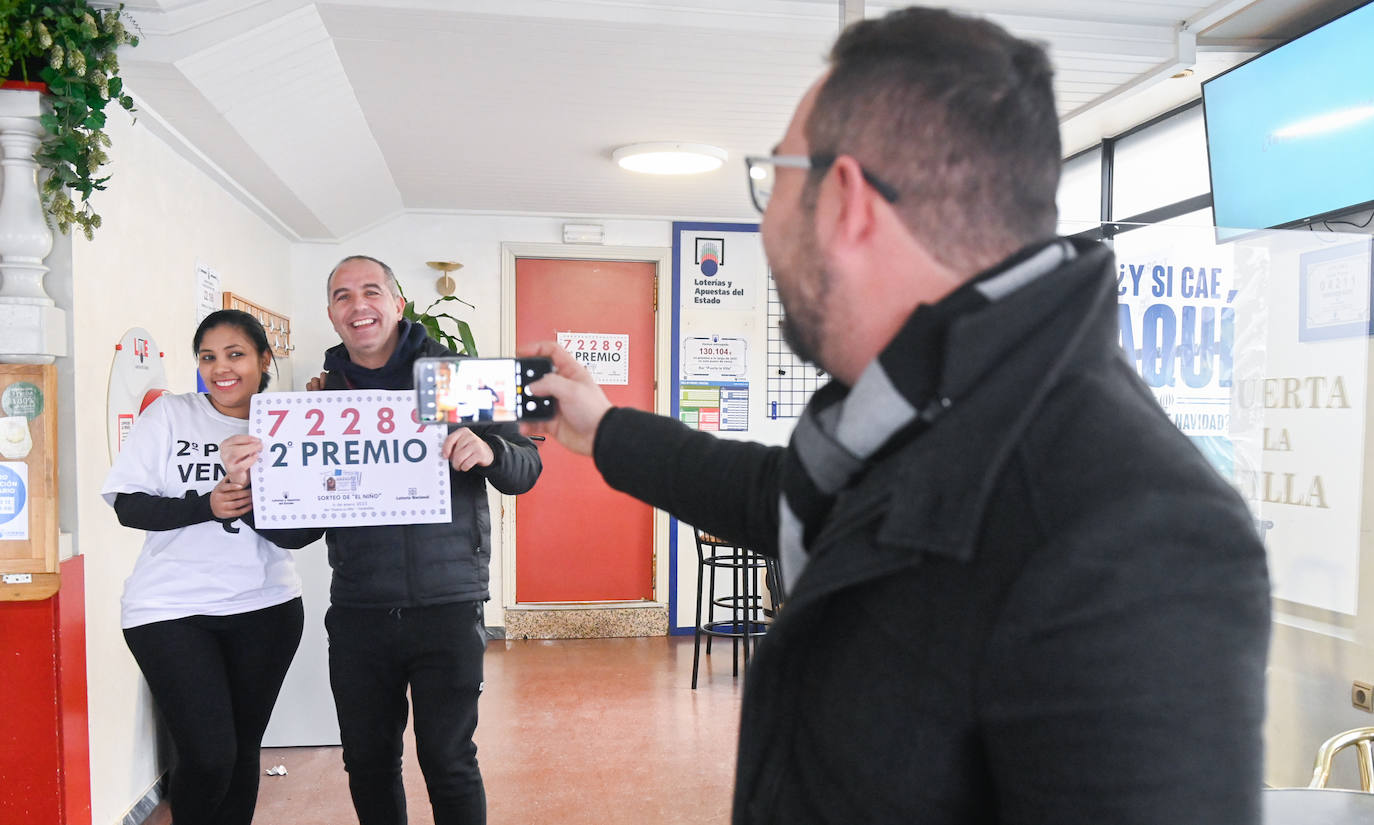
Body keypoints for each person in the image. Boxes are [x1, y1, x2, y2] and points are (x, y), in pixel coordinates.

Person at [519, 8, 1270, 824]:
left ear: (846, 201)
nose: (768, 221)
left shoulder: (1141, 528)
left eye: (775, 180)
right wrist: (601, 428)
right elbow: (776, 492)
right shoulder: (916, 409)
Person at [222, 254, 542, 825]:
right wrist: (252, 489)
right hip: (360, 611)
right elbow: (296, 530)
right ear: (331, 314)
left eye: (371, 291)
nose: (358, 305)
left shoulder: (457, 378)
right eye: (343, 296)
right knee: (367, 761)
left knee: (448, 758)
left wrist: (491, 453)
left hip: (448, 603)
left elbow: (529, 469)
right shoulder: (315, 400)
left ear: (397, 304)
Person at [101, 309, 303, 825]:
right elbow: (129, 504)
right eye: (208, 357)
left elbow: (301, 534)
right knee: (209, 755)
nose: (221, 368)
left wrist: (250, 499)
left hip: (266, 605)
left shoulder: (288, 425)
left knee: (240, 753)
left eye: (235, 354)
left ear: (264, 359)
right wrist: (205, 505)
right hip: (168, 608)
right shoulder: (170, 415)